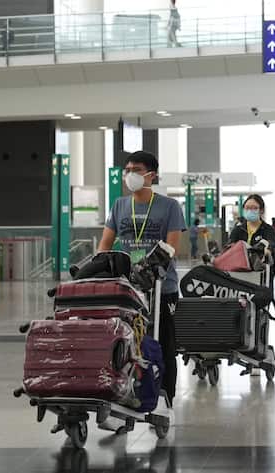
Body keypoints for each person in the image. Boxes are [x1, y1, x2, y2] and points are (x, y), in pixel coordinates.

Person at [98, 150, 185, 409]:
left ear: (151, 174)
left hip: (161, 287)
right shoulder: (119, 206)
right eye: (127, 170)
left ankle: (164, 397)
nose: (129, 175)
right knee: (122, 341)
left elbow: (171, 248)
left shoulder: (169, 207)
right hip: (125, 289)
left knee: (162, 342)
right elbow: (105, 245)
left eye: (136, 170)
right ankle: (121, 391)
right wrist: (99, 267)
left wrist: (150, 268)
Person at [229, 195, 275, 284]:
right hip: (239, 275)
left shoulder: (268, 230)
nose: (250, 211)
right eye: (247, 208)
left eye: (254, 208)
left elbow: (272, 244)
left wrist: (267, 249)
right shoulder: (237, 230)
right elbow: (230, 247)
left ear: (261, 210)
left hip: (261, 276)